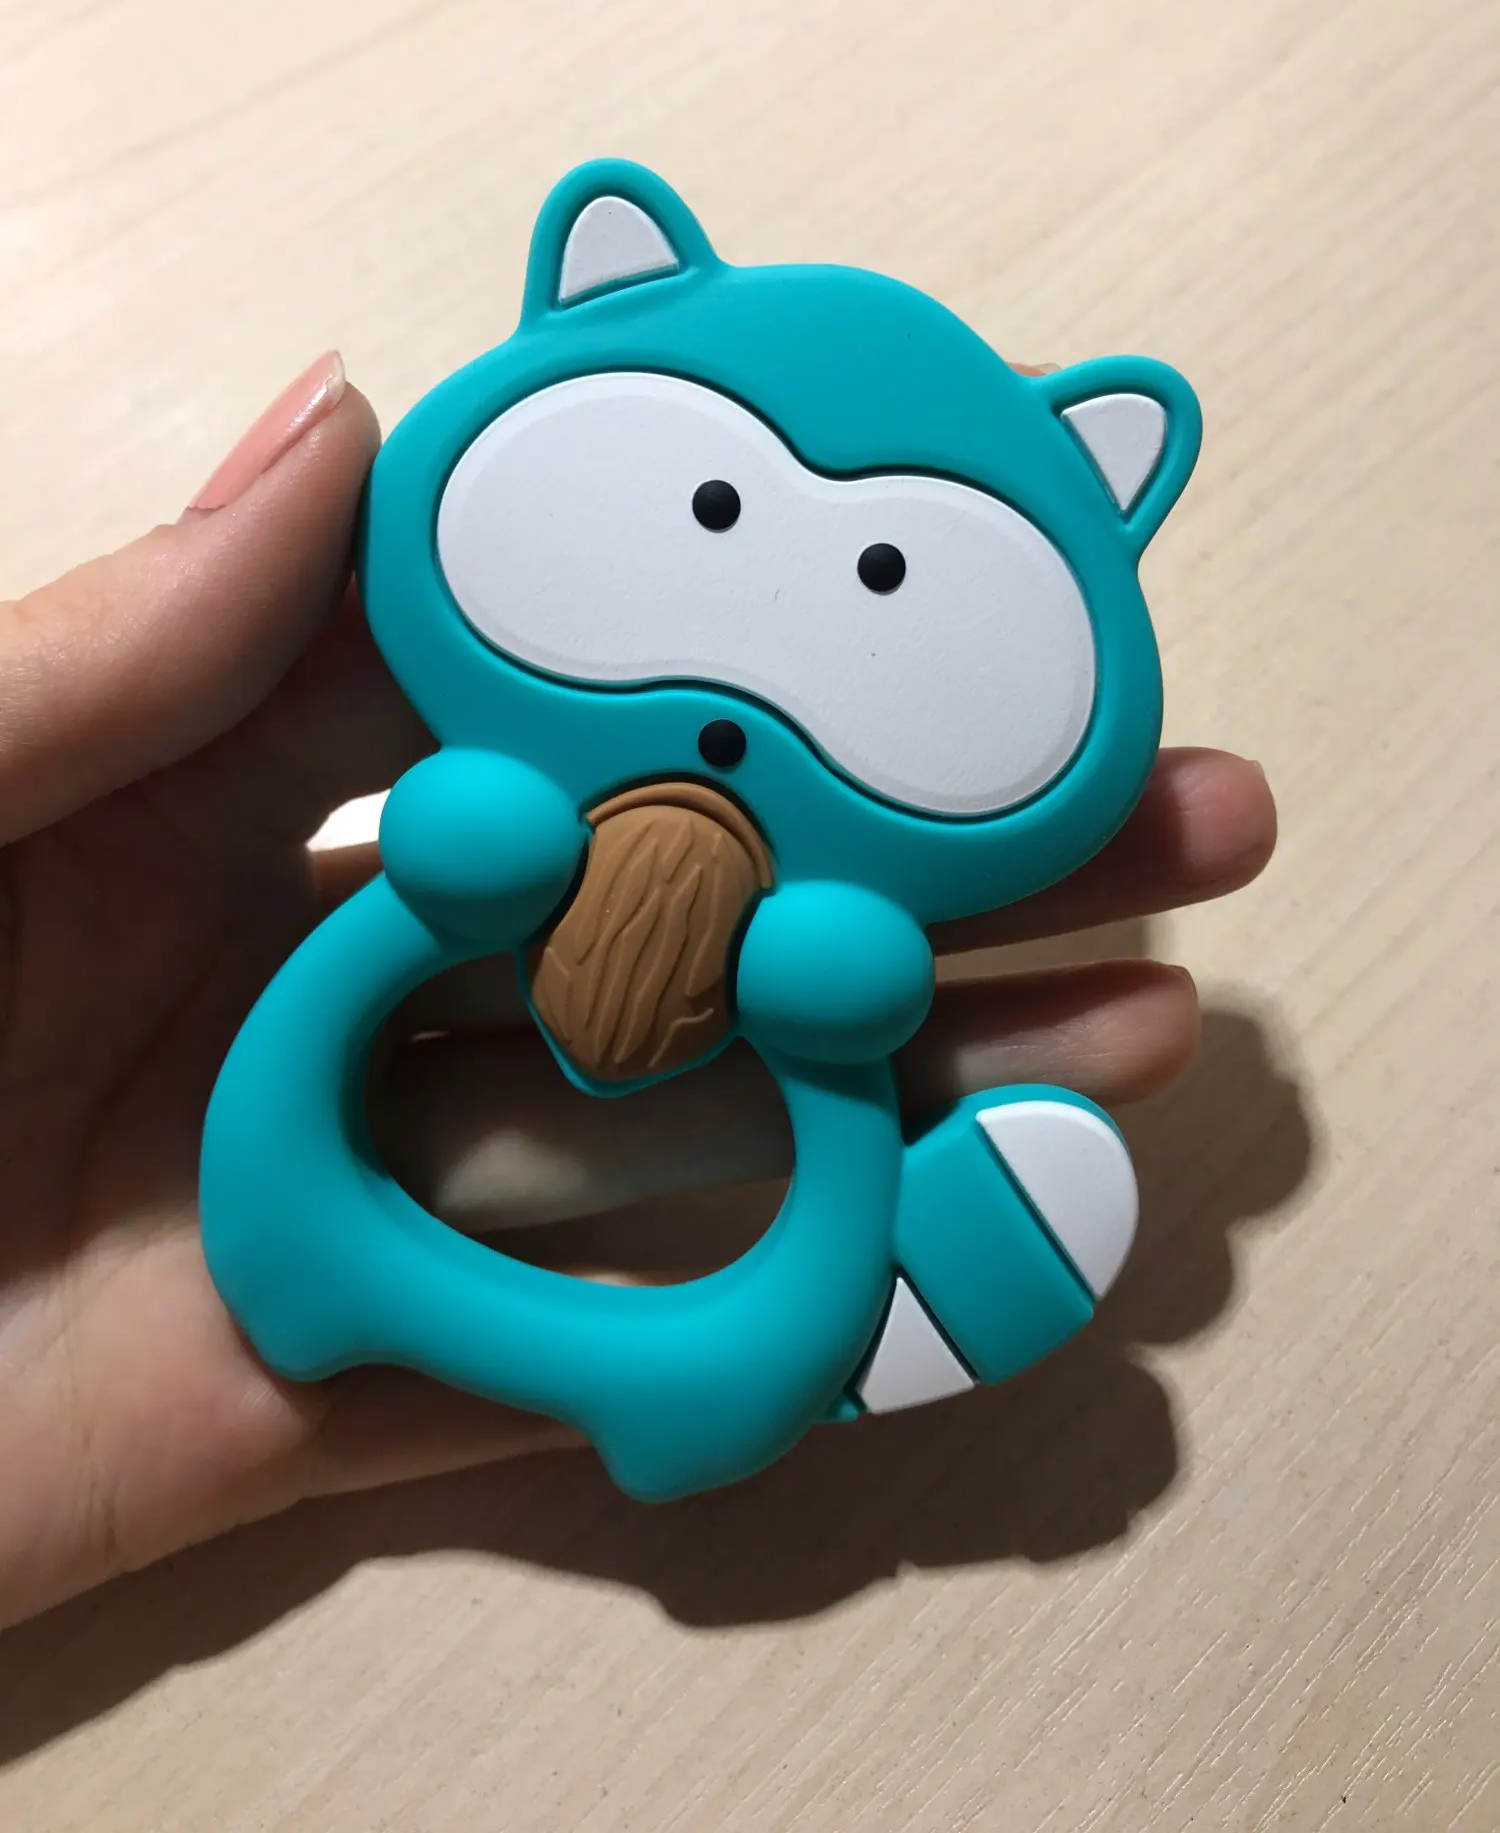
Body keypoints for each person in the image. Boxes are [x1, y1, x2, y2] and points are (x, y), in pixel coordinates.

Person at [0, 354, 1276, 1630]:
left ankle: (722, 1369)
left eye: (886, 571)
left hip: (630, 1120)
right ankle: (701, 1372)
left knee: (808, 991)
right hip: (339, 1162)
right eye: (716, 507)